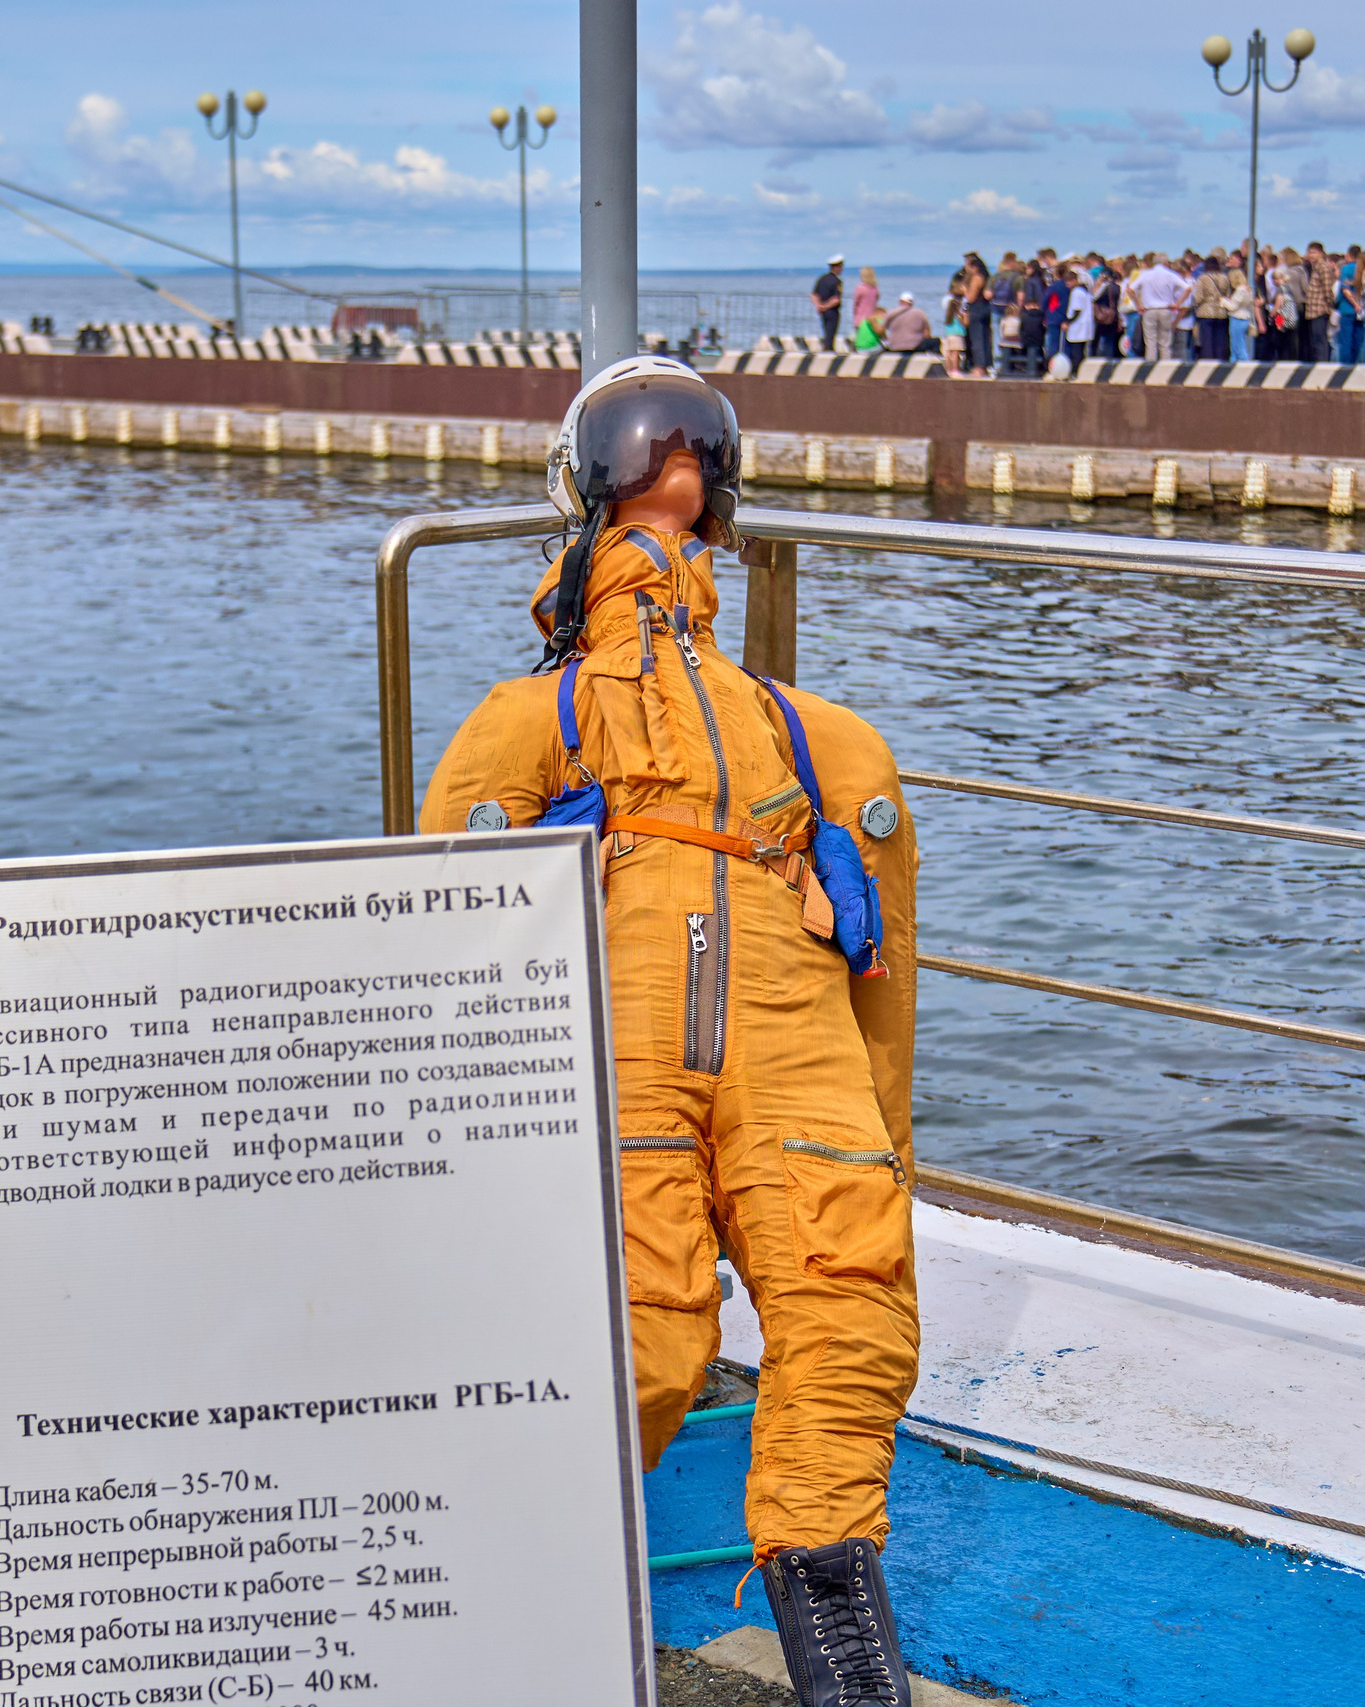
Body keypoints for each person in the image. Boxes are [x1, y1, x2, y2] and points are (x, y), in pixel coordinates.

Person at [424, 356, 922, 1707]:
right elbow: (431, 957)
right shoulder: (559, 723)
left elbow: (885, 988)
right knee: (673, 1331)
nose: (674, 488)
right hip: (664, 1035)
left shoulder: (808, 742)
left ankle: (501, 1602)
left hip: (761, 1019)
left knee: (835, 1322)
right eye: (658, 473)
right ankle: (480, 1597)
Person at [1132, 252, 1188, 361]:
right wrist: (1177, 304)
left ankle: (1150, 367)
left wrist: (1138, 305)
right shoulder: (1171, 275)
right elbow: (1187, 288)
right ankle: (1165, 368)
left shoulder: (1145, 274)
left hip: (1149, 310)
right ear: (1166, 263)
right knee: (1165, 342)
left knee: (1150, 342)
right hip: (1165, 309)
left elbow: (1130, 290)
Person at [1300, 242, 1334, 362]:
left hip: (1319, 309)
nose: (1311, 255)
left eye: (1314, 252)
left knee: (1320, 341)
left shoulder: (1323, 268)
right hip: (1312, 309)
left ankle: (1322, 364)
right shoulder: (1314, 268)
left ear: (1320, 253)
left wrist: (1329, 304)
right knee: (1314, 341)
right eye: (1310, 252)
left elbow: (1327, 288)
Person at [811, 257, 845, 346]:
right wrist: (826, 306)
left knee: (826, 333)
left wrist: (818, 306)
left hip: (823, 312)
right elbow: (836, 299)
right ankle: (828, 351)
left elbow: (814, 295)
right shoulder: (837, 281)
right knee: (830, 335)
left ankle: (827, 349)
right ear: (837, 267)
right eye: (841, 267)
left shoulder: (822, 279)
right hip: (832, 311)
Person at [850, 266, 880, 337]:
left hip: (860, 320)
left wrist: (855, 314)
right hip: (871, 320)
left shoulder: (860, 288)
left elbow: (855, 304)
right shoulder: (875, 289)